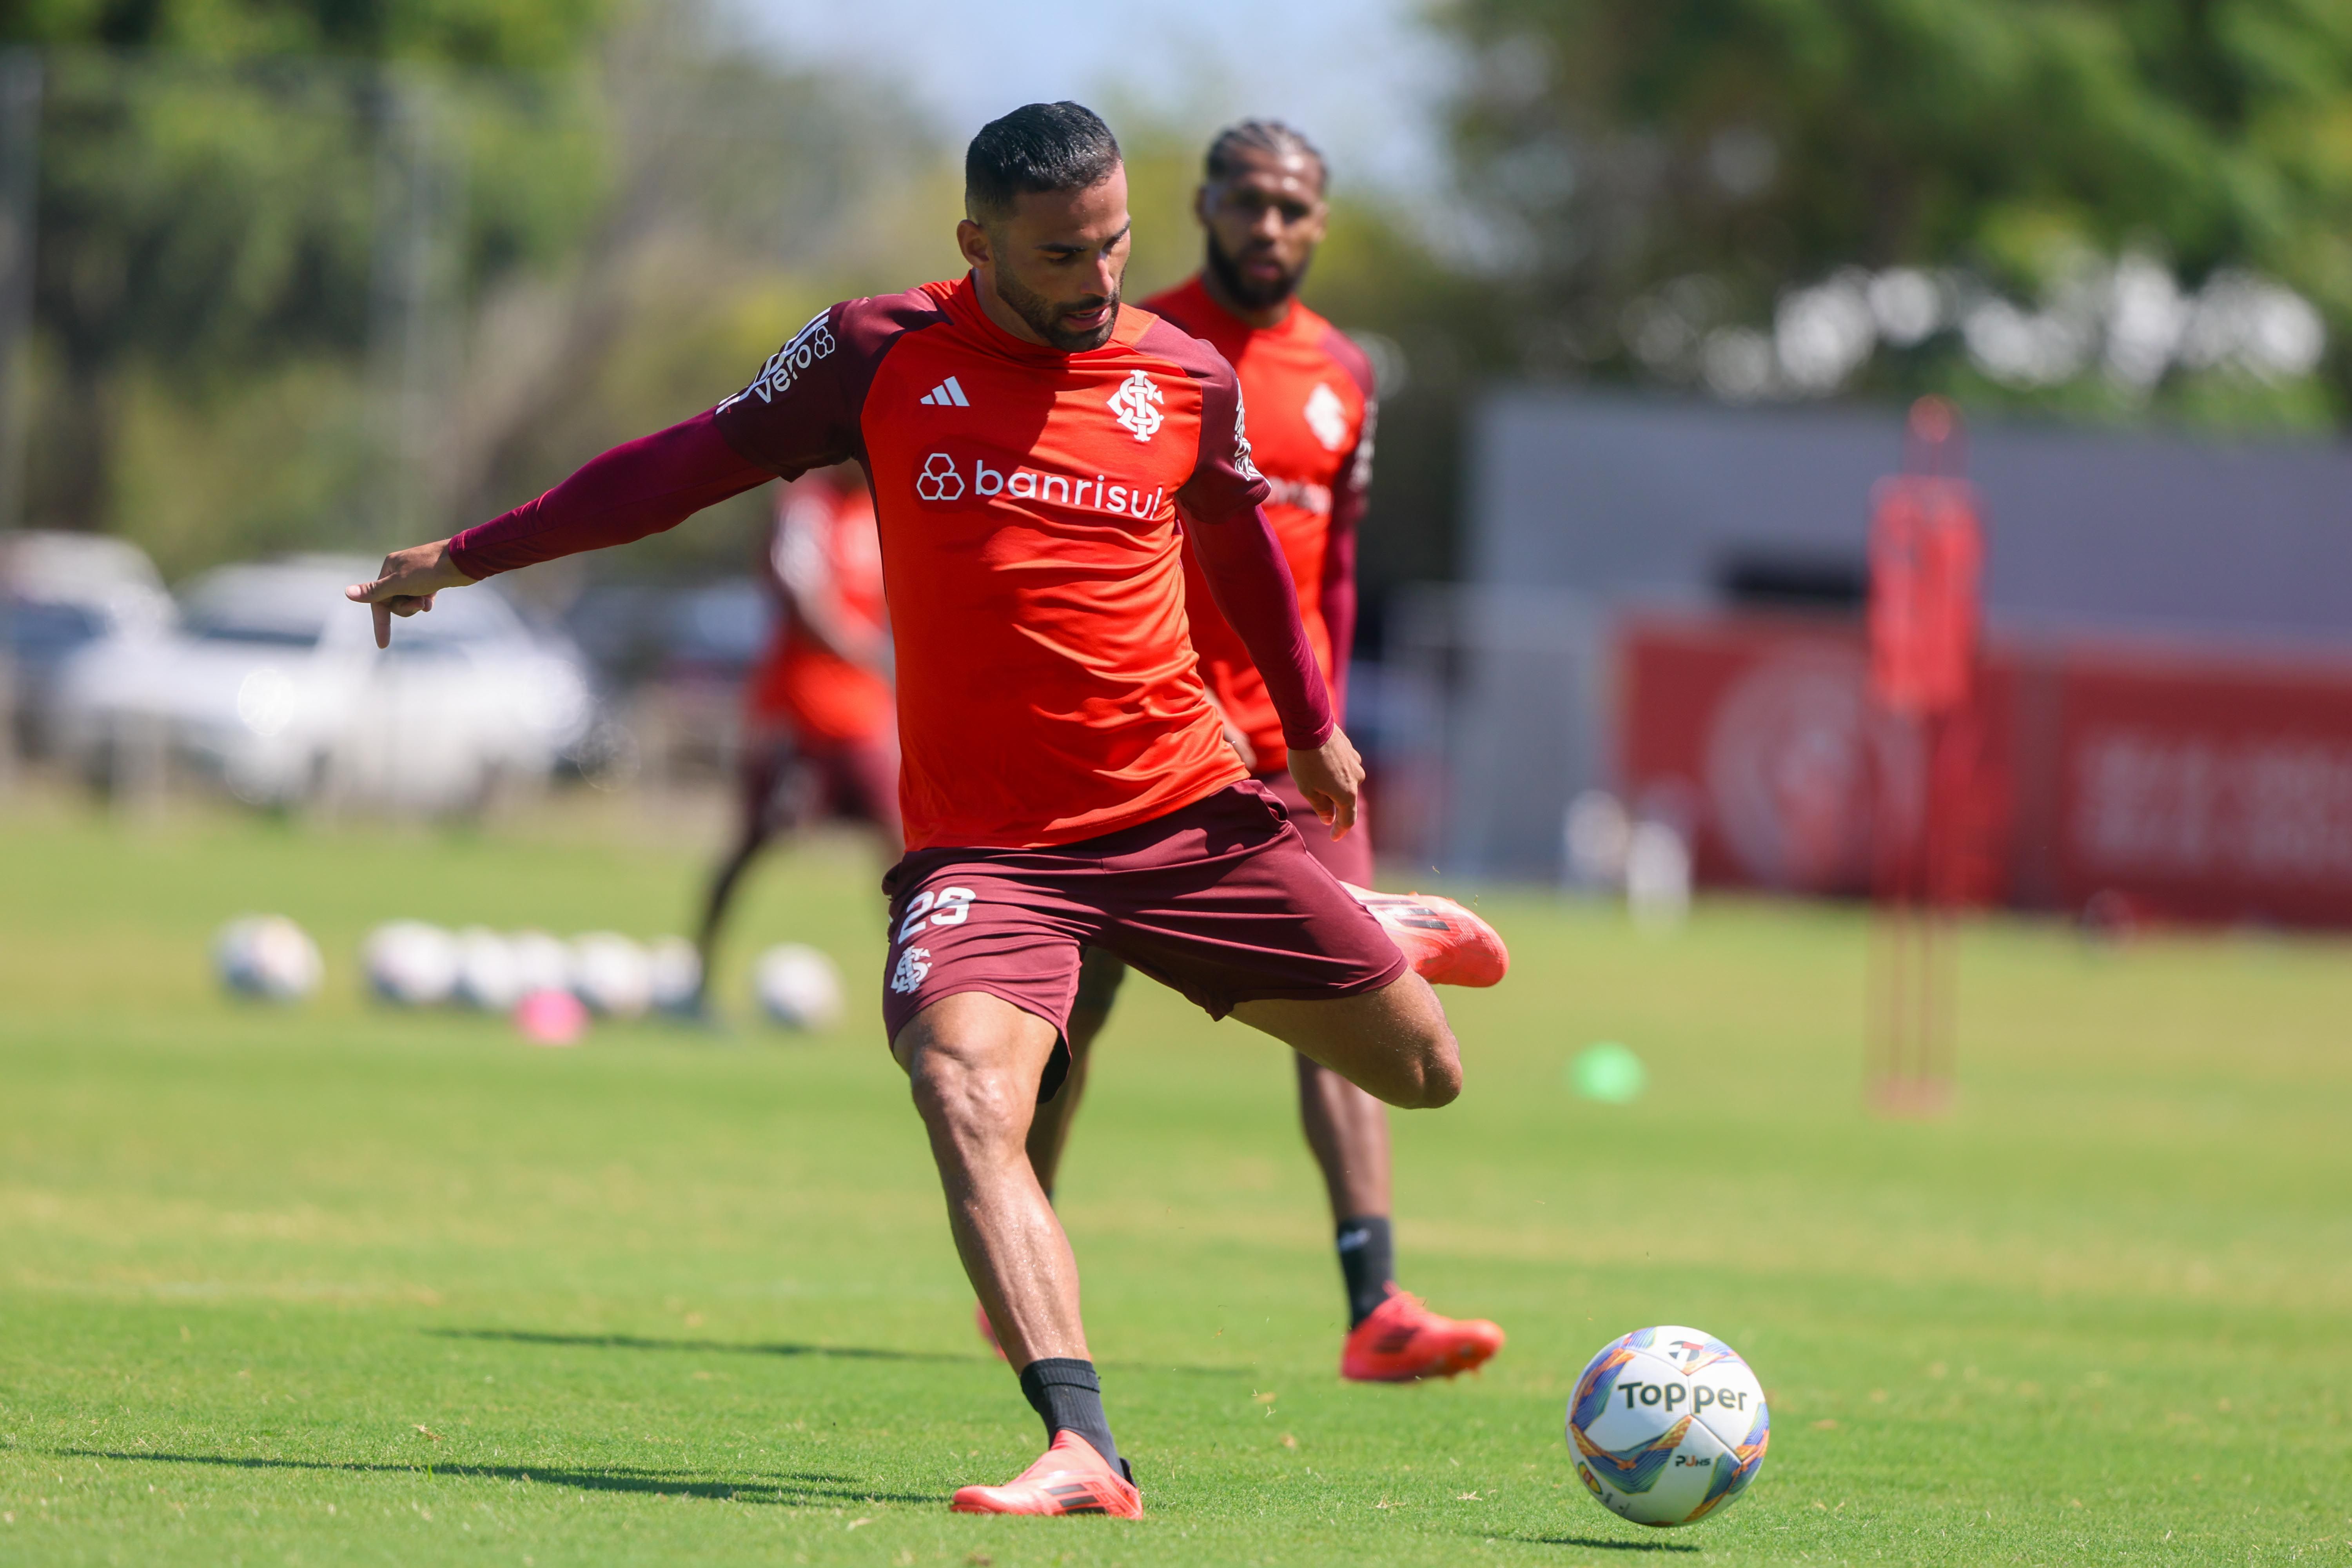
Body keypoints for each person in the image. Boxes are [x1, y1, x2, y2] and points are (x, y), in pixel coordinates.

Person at [346, 101, 1500, 1522]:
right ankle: (1084, 1445)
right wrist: (467, 556)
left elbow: (1249, 546)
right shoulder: (875, 355)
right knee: (964, 1091)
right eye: (1063, 254)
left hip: (1184, 817)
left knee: (1424, 1073)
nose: (1099, 280)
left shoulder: (1181, 379)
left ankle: (1366, 929)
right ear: (977, 242)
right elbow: (678, 469)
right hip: (992, 855)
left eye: (1117, 246)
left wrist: (1314, 727)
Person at [1016, 119, 1507, 1384]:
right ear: (1205, 205)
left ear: (1320, 222)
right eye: (1249, 203)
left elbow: (1333, 569)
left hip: (1291, 758)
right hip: (1142, 748)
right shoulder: (1129, 343)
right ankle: (1027, 1242)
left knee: (1354, 996)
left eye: (1293, 208)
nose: (1270, 227)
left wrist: (1320, 723)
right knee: (1072, 1021)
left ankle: (1377, 1300)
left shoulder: (1345, 372)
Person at [695, 466, 900, 1007]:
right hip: (798, 714)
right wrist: (861, 648)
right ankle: (699, 981)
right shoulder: (807, 505)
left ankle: (916, 982)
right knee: (754, 843)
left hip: (863, 720)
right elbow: (797, 591)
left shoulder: (882, 511)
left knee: (903, 853)